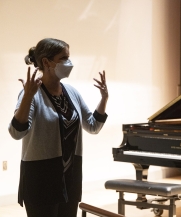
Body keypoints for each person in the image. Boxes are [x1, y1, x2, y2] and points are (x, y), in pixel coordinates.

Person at [8, 38, 108, 217]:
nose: (69, 63)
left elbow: (93, 126)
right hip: (41, 179)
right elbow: (16, 132)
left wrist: (104, 99)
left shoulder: (72, 92)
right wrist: (27, 98)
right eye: (64, 58)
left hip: (70, 178)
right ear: (46, 62)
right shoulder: (31, 93)